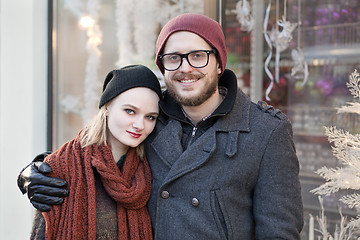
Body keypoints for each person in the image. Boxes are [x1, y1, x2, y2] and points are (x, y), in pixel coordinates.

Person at [18, 13, 304, 239]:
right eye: (173, 58)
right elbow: (96, 152)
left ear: (219, 64)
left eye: (198, 55)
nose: (185, 68)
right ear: (163, 67)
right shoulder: (151, 117)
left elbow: (278, 232)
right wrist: (37, 170)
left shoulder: (266, 131)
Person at [29, 65, 162, 239]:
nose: (140, 125)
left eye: (150, 117)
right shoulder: (61, 167)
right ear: (106, 107)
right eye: (130, 111)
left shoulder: (150, 167)